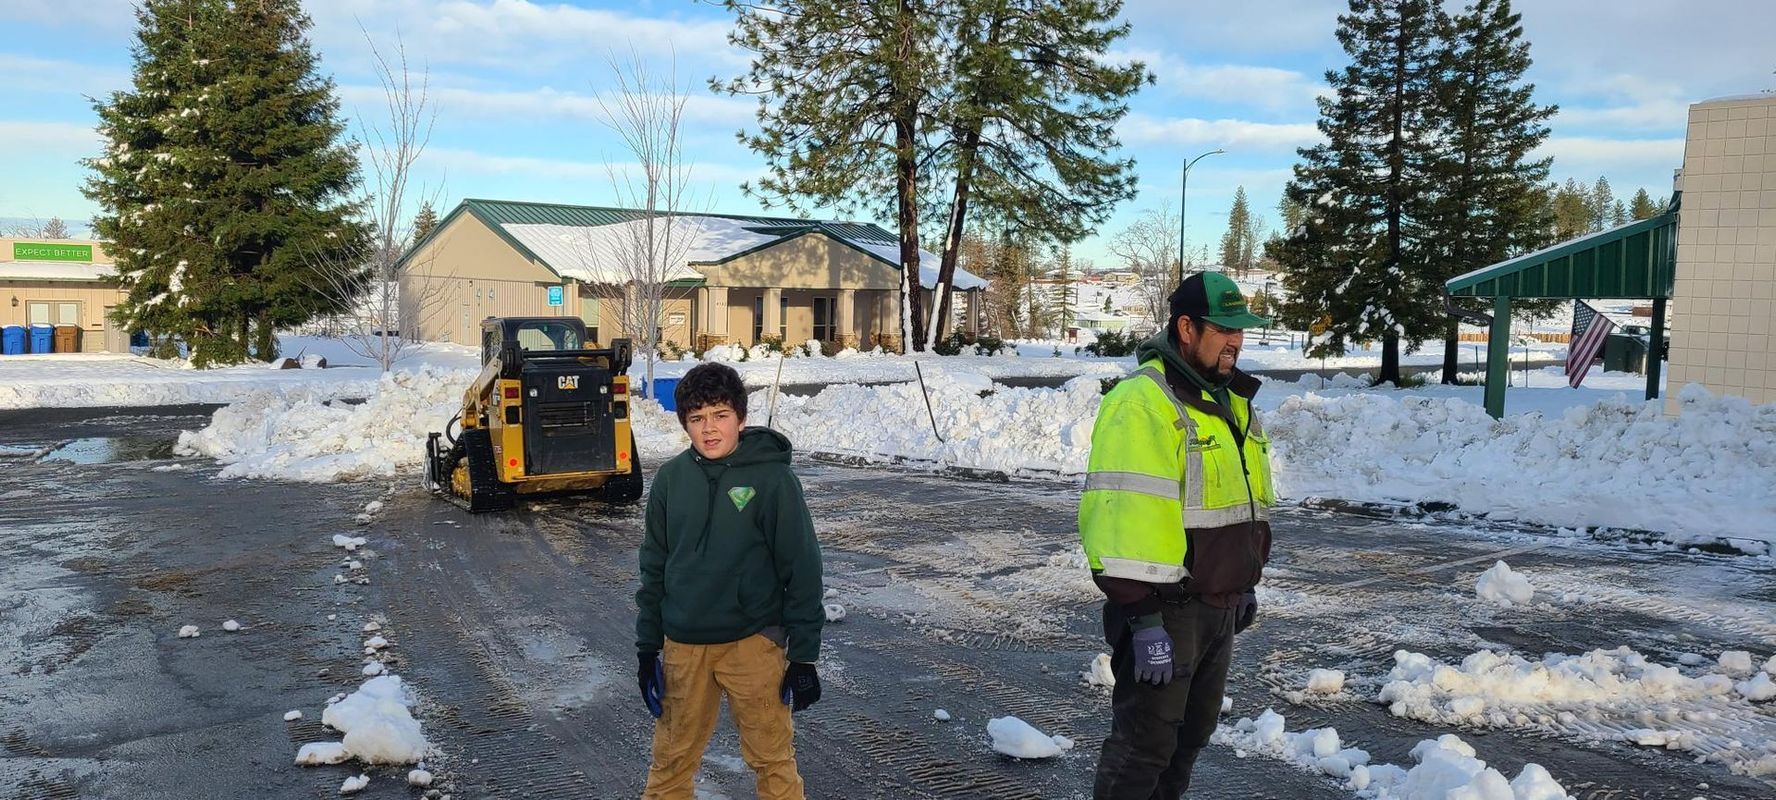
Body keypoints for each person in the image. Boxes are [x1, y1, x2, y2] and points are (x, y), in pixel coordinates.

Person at [1079, 271, 1277, 799]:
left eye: (1242, 331)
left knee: (1190, 739)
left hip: (1218, 605)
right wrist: (1142, 621)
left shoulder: (1232, 402)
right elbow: (1122, 519)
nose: (1236, 341)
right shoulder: (1143, 402)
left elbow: (1238, 505)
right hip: (1164, 613)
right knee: (1145, 746)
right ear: (1186, 328)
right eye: (1224, 329)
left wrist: (1244, 580)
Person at [636, 362, 825, 800]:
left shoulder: (772, 479)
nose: (709, 429)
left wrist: (804, 656)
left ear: (740, 417)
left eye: (720, 415)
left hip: (753, 644)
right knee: (670, 764)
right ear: (685, 423)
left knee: (773, 761)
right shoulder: (670, 479)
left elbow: (801, 567)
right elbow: (654, 568)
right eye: (697, 418)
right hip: (684, 645)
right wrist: (648, 649)